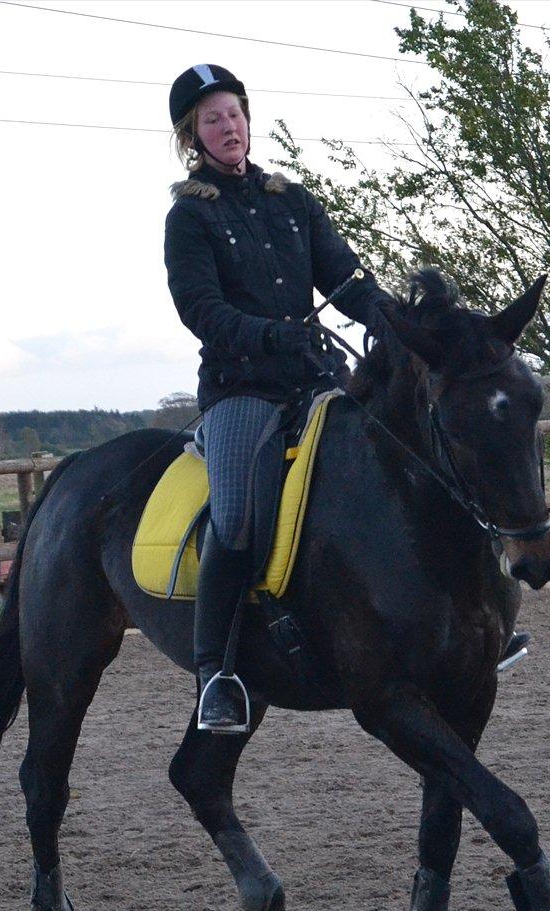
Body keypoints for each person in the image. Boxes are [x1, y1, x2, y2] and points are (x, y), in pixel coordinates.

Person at [164, 64, 392, 734]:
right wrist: (268, 335)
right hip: (242, 390)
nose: (227, 126)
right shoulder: (188, 218)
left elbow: (348, 280)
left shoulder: (292, 201)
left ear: (247, 119)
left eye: (233, 113)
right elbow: (200, 309)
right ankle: (216, 676)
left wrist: (392, 321)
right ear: (192, 137)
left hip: (313, 379)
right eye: (212, 119)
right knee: (234, 517)